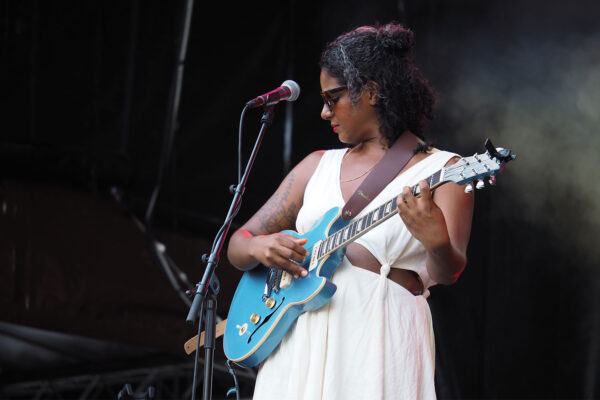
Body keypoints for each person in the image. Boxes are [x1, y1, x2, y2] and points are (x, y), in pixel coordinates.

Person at [227, 22, 474, 400]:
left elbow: (448, 271)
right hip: (298, 344)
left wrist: (436, 241)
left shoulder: (444, 171)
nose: (325, 112)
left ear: (372, 92)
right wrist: (263, 247)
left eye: (334, 98)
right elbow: (237, 245)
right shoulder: (316, 165)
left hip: (377, 340)